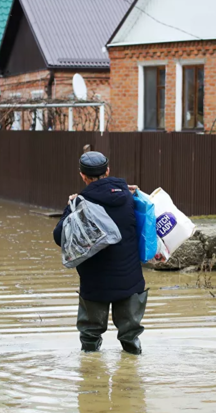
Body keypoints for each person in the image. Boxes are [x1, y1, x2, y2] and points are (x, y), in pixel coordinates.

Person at [53, 151, 148, 355]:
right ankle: (132, 379)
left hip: (94, 283)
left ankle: (91, 379)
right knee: (130, 336)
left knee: (90, 336)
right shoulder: (129, 197)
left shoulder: (79, 204)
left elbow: (59, 236)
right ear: (108, 170)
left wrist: (70, 208)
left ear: (83, 176)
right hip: (129, 281)